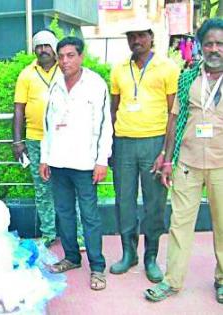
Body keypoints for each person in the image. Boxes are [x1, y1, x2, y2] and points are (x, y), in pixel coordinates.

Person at [145, 18, 223, 304]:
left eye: (220, 44)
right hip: (188, 162)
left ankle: (222, 279)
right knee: (179, 224)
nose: (215, 49)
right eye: (210, 43)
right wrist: (167, 157)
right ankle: (172, 281)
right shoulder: (188, 77)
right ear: (201, 47)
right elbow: (175, 118)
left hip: (222, 164)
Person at [109, 20, 180, 283]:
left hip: (154, 143)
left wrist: (167, 152)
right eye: (131, 36)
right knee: (124, 202)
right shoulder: (118, 69)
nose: (135, 40)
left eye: (141, 35)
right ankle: (129, 254)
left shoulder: (168, 68)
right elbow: (113, 109)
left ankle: (150, 256)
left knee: (154, 203)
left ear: (151, 37)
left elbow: (174, 114)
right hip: (124, 142)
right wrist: (111, 145)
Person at [39, 36, 112, 290]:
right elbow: (47, 125)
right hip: (58, 161)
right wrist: (44, 158)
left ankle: (98, 267)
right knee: (64, 213)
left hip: (85, 162)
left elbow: (105, 126)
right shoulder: (55, 83)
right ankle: (71, 257)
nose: (65, 61)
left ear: (81, 57)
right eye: (61, 56)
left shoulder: (95, 84)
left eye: (70, 55)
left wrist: (102, 161)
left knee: (89, 215)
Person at [13, 29, 85, 249]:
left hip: (64, 140)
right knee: (43, 190)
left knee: (70, 187)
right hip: (35, 140)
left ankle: (78, 234)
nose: (43, 50)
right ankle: (48, 233)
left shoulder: (66, 71)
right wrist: (17, 141)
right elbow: (18, 109)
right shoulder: (26, 74)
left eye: (47, 45)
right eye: (39, 46)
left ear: (55, 49)